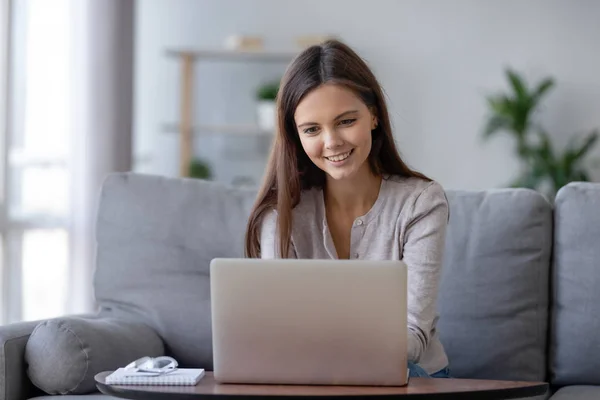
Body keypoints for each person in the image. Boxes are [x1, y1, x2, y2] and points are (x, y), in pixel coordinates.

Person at [244, 39, 451, 379]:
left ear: (373, 115)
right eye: (312, 129)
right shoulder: (279, 216)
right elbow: (278, 332)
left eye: (345, 121)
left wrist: (328, 351)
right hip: (312, 377)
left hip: (409, 375)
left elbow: (414, 334)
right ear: (295, 137)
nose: (332, 142)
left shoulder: (421, 203)